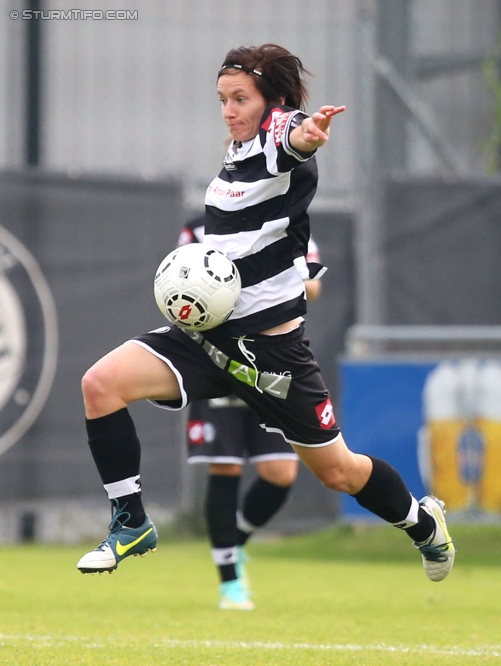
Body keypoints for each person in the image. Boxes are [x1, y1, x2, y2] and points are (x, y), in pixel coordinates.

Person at [76, 43, 454, 587]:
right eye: (222, 99)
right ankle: (131, 521)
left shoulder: (275, 140)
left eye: (240, 99)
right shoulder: (235, 154)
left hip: (271, 355)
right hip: (206, 340)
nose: (229, 110)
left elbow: (292, 137)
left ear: (270, 101)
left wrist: (306, 131)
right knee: (100, 385)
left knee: (340, 473)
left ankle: (422, 522)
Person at [178, 215, 322, 610]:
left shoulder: (287, 223)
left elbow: (313, 284)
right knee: (225, 467)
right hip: (219, 362)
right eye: (234, 148)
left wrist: (271, 283)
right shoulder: (199, 229)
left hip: (270, 362)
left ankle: (234, 542)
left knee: (280, 474)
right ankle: (229, 583)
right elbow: (181, 286)